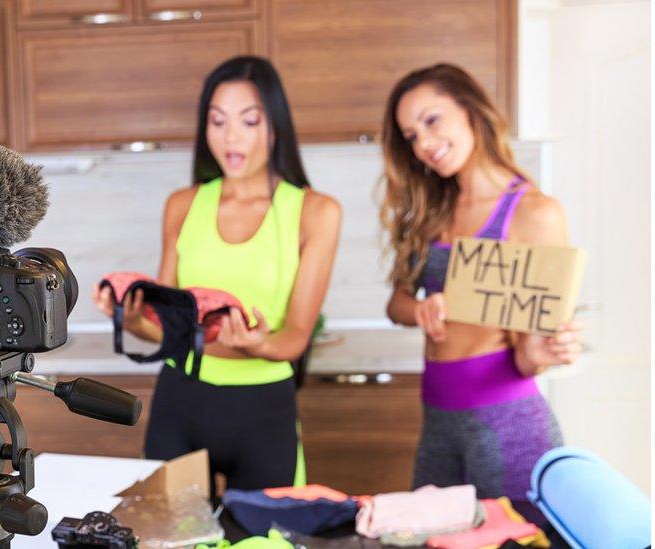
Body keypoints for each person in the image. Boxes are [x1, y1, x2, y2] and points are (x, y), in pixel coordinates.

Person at [92, 56, 342, 491]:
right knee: (171, 540)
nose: (230, 137)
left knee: (265, 542)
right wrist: (132, 321)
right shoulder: (182, 205)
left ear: (275, 126)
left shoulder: (316, 213)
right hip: (181, 402)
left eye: (248, 121)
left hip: (265, 412)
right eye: (217, 121)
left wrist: (260, 342)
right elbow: (167, 328)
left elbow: (296, 337)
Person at [379, 63, 584, 519]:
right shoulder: (432, 209)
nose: (424, 144)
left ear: (470, 110)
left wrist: (554, 346)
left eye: (432, 121)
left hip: (506, 427)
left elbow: (528, 356)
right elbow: (396, 304)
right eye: (411, 135)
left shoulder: (535, 213)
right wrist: (421, 311)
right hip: (437, 423)